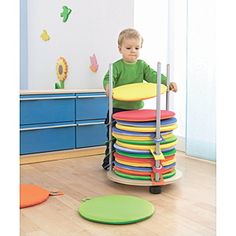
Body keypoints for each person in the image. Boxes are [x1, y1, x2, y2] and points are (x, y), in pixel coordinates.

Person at [102, 28, 177, 170]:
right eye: (128, 47)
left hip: (135, 110)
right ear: (120, 49)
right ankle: (109, 161)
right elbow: (108, 78)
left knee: (132, 138)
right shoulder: (117, 66)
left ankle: (131, 163)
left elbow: (154, 76)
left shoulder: (142, 65)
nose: (133, 51)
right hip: (117, 108)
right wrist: (108, 87)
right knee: (113, 136)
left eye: (137, 47)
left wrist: (167, 82)